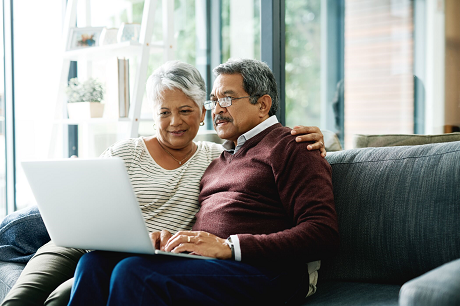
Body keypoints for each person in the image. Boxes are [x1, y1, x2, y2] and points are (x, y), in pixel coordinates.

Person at [1, 60, 325, 306]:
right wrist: (172, 241)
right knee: (95, 262)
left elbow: (322, 232)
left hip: (266, 270)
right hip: (193, 259)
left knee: (132, 273)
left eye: (225, 99)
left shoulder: (293, 145)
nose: (216, 111)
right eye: (215, 101)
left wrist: (228, 247)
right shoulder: (224, 156)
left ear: (263, 104)